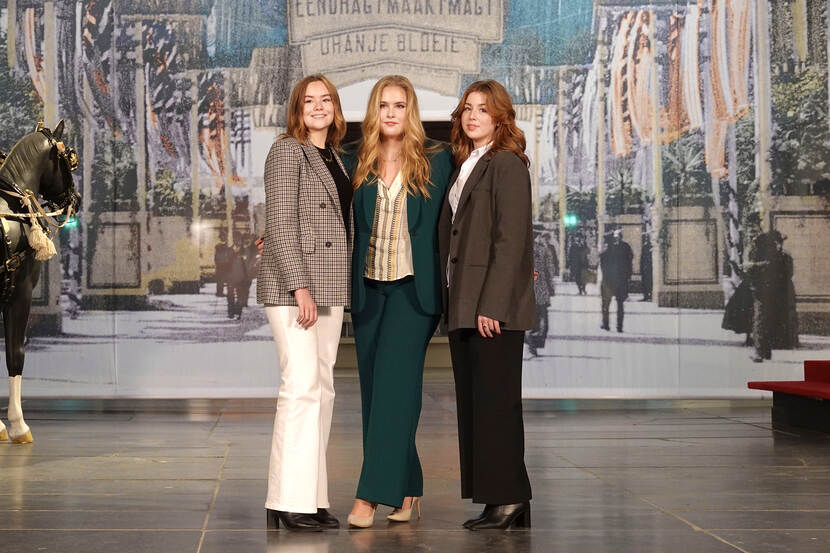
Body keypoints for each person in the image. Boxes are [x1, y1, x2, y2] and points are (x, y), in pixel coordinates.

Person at [343, 75, 453, 528]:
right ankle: (408, 488)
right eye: (384, 105)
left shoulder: (438, 159)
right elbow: (321, 209)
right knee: (379, 393)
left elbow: (471, 207)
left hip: (414, 290)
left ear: (411, 111)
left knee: (393, 387)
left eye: (399, 105)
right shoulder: (353, 158)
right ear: (374, 111)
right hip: (369, 289)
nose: (391, 113)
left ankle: (370, 495)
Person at [438, 79, 535, 530]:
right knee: (478, 405)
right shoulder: (467, 164)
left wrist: (492, 305)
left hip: (491, 309)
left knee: (497, 404)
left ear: (500, 117)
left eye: (483, 108)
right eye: (467, 108)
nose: (473, 115)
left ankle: (510, 499)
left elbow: (511, 240)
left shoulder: (507, 163)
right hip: (464, 302)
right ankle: (496, 498)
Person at [256, 74, 351, 531]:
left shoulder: (335, 157)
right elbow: (280, 222)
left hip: (329, 286)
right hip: (294, 288)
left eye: (325, 99)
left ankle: (310, 497)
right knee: (300, 387)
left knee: (322, 389)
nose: (318, 106)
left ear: (335, 108)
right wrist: (299, 287)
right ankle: (287, 500)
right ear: (297, 109)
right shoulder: (286, 151)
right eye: (309, 100)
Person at [745, 230, 799, 362]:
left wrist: (751, 266)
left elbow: (755, 272)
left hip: (764, 294)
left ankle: (759, 353)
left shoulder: (769, 258)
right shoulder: (783, 256)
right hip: (777, 293)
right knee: (767, 322)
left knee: (760, 322)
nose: (779, 244)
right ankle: (766, 352)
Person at [526, 226, 556, 357]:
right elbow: (550, 271)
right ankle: (533, 340)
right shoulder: (544, 250)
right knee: (543, 319)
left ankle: (530, 339)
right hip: (541, 291)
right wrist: (551, 287)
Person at [600, 228, 633, 332]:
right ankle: (619, 326)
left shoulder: (605, 253)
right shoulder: (624, 248)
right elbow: (629, 262)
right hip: (621, 281)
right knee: (620, 304)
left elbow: (602, 267)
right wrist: (627, 277)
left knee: (606, 304)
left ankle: (606, 324)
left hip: (607, 281)